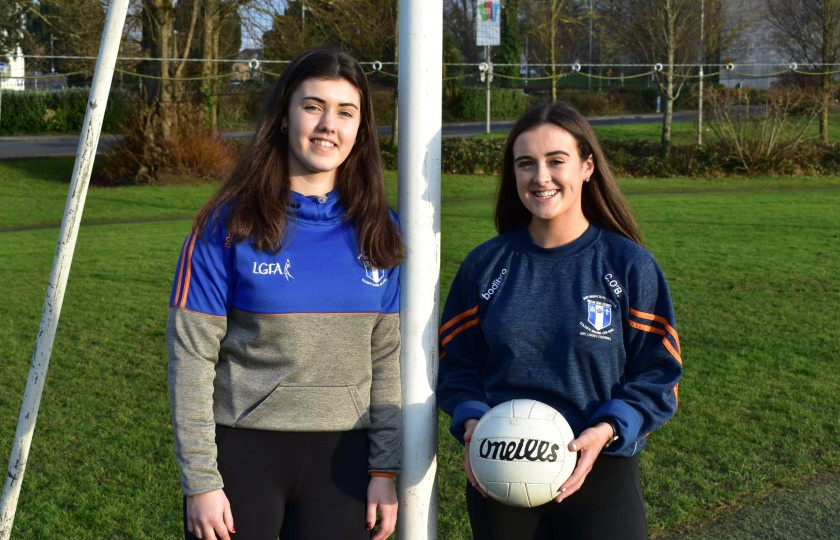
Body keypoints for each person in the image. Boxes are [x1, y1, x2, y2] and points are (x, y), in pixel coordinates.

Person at [166, 47, 404, 540]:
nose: (327, 125)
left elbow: (387, 359)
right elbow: (190, 359)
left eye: (345, 112)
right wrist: (200, 481)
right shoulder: (225, 226)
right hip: (244, 455)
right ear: (283, 116)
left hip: (344, 464)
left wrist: (384, 470)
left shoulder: (380, 232)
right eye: (312, 106)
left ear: (360, 131)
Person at [436, 102, 683, 539]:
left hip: (600, 469)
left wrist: (608, 429)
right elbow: (455, 363)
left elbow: (659, 372)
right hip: (501, 466)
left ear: (587, 167)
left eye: (556, 161)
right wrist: (473, 420)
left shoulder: (628, 266)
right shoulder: (486, 266)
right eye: (526, 163)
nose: (541, 177)